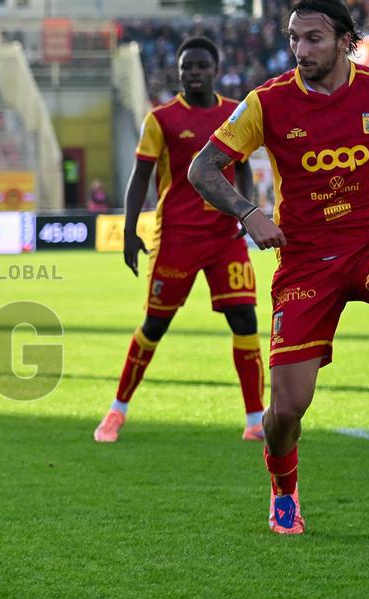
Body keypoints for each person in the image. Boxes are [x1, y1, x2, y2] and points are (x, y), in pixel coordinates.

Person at [189, 0, 369, 534]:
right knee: (285, 413)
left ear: (346, 40)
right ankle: (283, 488)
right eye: (295, 39)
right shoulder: (267, 103)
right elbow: (202, 168)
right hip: (305, 263)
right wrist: (248, 212)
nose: (301, 50)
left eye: (314, 39)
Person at [95, 37, 264, 444]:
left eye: (201, 66)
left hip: (224, 238)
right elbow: (140, 180)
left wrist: (247, 208)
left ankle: (256, 420)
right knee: (155, 325)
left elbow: (242, 169)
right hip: (177, 239)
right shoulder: (162, 119)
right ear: (179, 71)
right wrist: (131, 230)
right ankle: (117, 411)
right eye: (186, 66)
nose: (193, 73)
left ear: (216, 69)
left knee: (245, 320)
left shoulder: (233, 114)